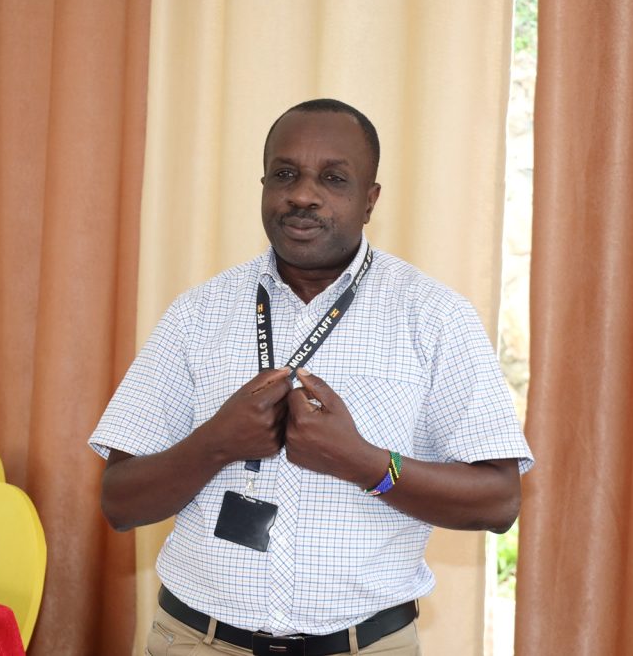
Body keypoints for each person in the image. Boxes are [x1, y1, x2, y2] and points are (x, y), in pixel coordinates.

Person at [89, 98, 534, 655]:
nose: (302, 194)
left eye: (333, 178)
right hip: (194, 642)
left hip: (365, 646)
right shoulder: (197, 313)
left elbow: (498, 502)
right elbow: (119, 502)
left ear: (370, 200)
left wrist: (363, 462)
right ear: (263, 185)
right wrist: (216, 443)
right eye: (285, 174)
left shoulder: (434, 316)